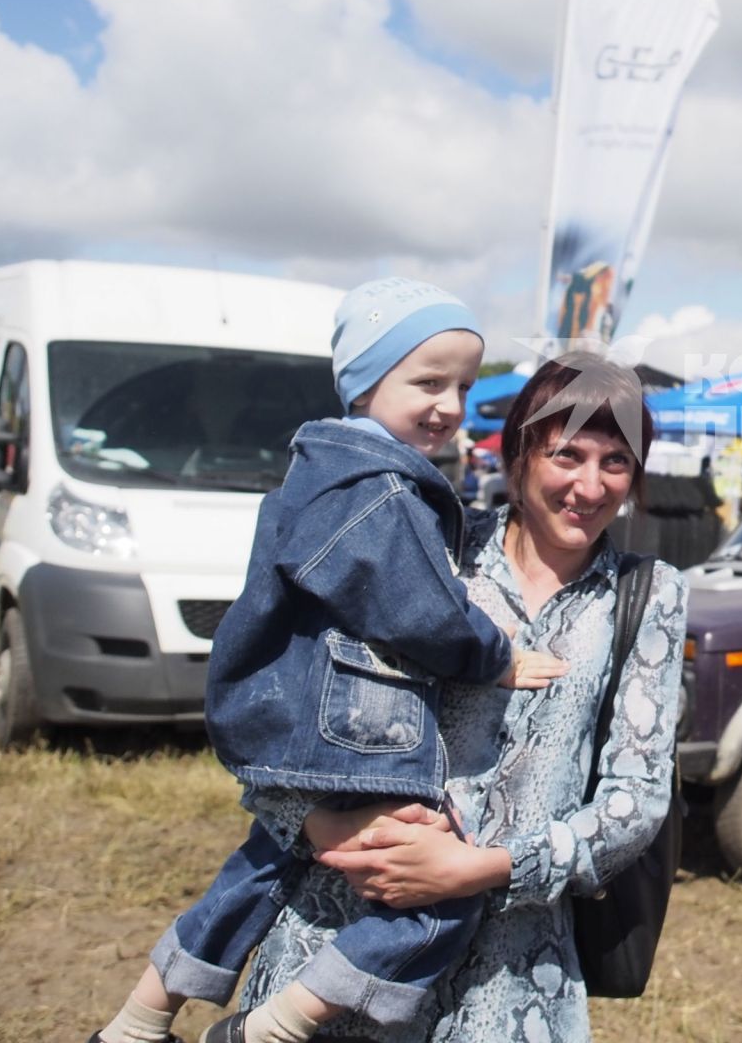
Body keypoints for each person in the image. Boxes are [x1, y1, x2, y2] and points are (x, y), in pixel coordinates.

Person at [95, 279, 570, 1043]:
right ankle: (279, 1024)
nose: (449, 404)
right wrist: (495, 657)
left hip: (285, 720)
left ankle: (140, 1016)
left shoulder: (319, 471)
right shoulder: (372, 490)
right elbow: (418, 608)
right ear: (365, 381)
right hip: (352, 728)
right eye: (427, 381)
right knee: (437, 889)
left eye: (463, 385)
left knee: (262, 863)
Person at [233, 351, 687, 1043]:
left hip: (508, 980)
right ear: (519, 455)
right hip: (342, 937)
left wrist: (481, 868)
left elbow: (638, 797)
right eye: (567, 454)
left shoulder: (648, 594)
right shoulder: (429, 550)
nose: (589, 486)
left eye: (615, 462)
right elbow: (279, 717)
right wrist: (326, 830)